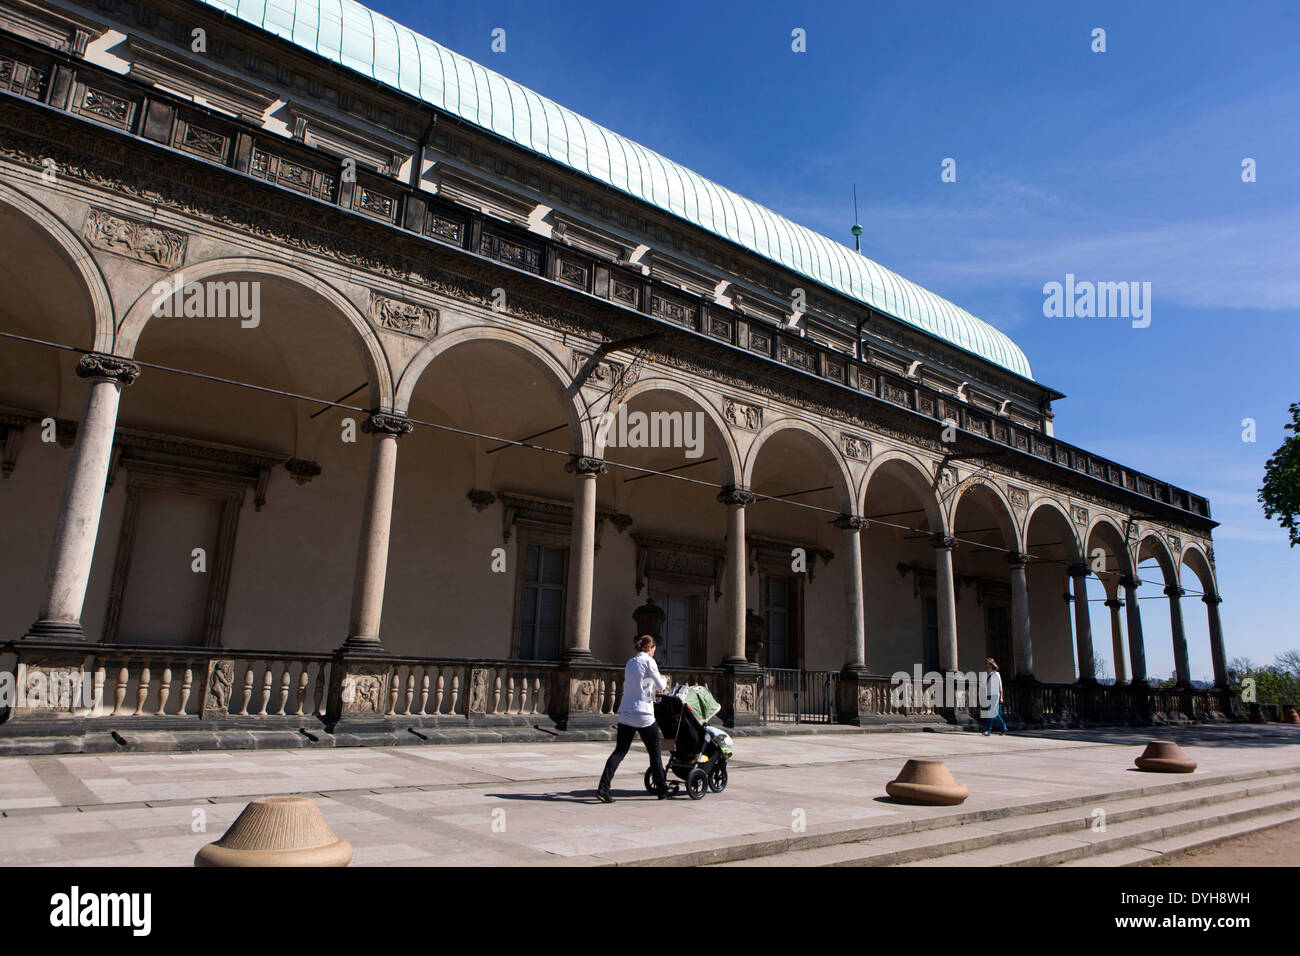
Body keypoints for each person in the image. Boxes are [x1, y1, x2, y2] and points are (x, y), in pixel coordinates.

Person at [596, 635, 670, 802]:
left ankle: (603, 787)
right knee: (654, 752)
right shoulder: (649, 661)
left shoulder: (630, 662)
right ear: (650, 648)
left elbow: (639, 683)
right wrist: (664, 679)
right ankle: (662, 789)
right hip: (643, 713)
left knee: (620, 751)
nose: (653, 654)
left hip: (626, 712)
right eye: (653, 651)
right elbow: (661, 686)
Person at [982, 658, 1007, 736]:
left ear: (991, 664)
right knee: (995, 713)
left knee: (991, 712)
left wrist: (1001, 697)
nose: (986, 665)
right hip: (988, 694)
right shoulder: (986, 674)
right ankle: (1003, 727)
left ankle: (988, 730)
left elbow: (1000, 687)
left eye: (987, 663)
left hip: (995, 695)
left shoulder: (996, 674)